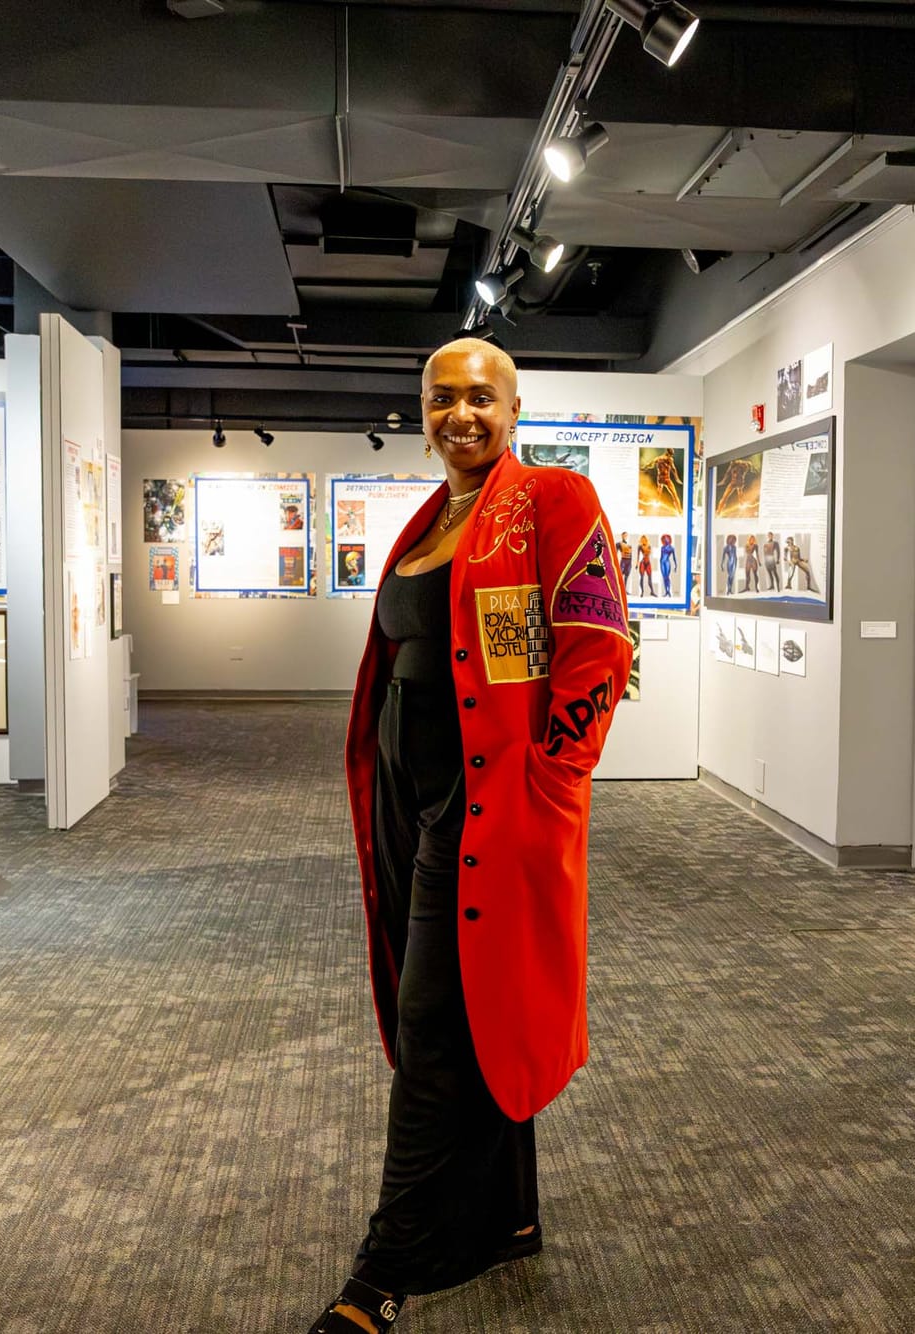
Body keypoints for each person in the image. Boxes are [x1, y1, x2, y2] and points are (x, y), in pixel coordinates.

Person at [318, 338, 633, 1334]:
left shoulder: (551, 501)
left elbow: (598, 650)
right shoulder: (430, 518)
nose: (460, 414)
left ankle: (384, 1269)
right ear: (421, 409)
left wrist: (551, 778)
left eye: (480, 398)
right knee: (470, 1006)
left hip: (486, 806)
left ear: (514, 406)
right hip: (410, 801)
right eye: (441, 397)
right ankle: (508, 1214)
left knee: (433, 1031)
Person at [658, 533, 676, 597]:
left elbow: (674, 557)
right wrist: (660, 562)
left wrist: (675, 565)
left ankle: (668, 591)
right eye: (665, 539)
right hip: (662, 563)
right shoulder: (662, 547)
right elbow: (661, 556)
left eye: (667, 538)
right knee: (664, 577)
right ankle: (666, 591)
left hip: (667, 563)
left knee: (667, 577)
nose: (666, 540)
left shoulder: (671, 548)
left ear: (669, 539)